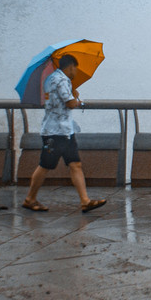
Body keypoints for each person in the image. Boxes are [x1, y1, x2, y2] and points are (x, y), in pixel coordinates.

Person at [22, 54, 106, 213]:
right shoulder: (60, 80)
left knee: (75, 164)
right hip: (55, 133)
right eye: (76, 68)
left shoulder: (52, 79)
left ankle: (85, 201)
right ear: (71, 66)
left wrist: (71, 93)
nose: (76, 72)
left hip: (65, 132)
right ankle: (30, 199)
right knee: (45, 165)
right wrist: (77, 98)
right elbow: (71, 103)